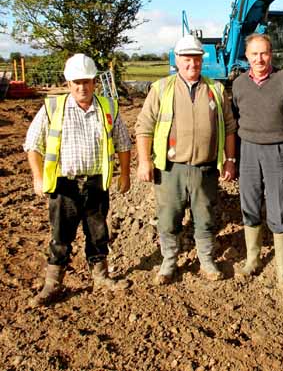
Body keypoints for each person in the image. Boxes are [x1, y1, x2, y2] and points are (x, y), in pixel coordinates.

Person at [24, 53, 132, 307]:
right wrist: (38, 177)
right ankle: (53, 283)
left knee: (97, 232)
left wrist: (125, 174)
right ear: (68, 83)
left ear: (94, 82)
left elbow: (124, 143)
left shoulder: (108, 108)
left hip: (96, 182)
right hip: (65, 185)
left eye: (87, 82)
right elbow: (32, 144)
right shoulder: (52, 108)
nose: (82, 87)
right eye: (76, 83)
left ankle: (101, 275)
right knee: (61, 235)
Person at [135, 33, 237, 284]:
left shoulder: (216, 89)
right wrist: (145, 161)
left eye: (197, 59)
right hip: (171, 169)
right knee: (169, 218)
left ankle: (206, 261)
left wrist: (230, 160)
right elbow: (143, 127)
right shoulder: (161, 88)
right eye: (187, 60)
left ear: (203, 60)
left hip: (206, 169)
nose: (192, 65)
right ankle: (169, 262)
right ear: (177, 60)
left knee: (205, 218)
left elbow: (230, 127)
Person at [232, 33, 283, 290]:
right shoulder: (239, 84)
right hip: (249, 151)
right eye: (254, 54)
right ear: (246, 56)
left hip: (278, 152)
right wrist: (230, 157)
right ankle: (253, 259)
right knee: (250, 205)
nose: (259, 58)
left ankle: (282, 270)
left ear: (271, 54)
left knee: (278, 207)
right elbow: (233, 122)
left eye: (264, 53)